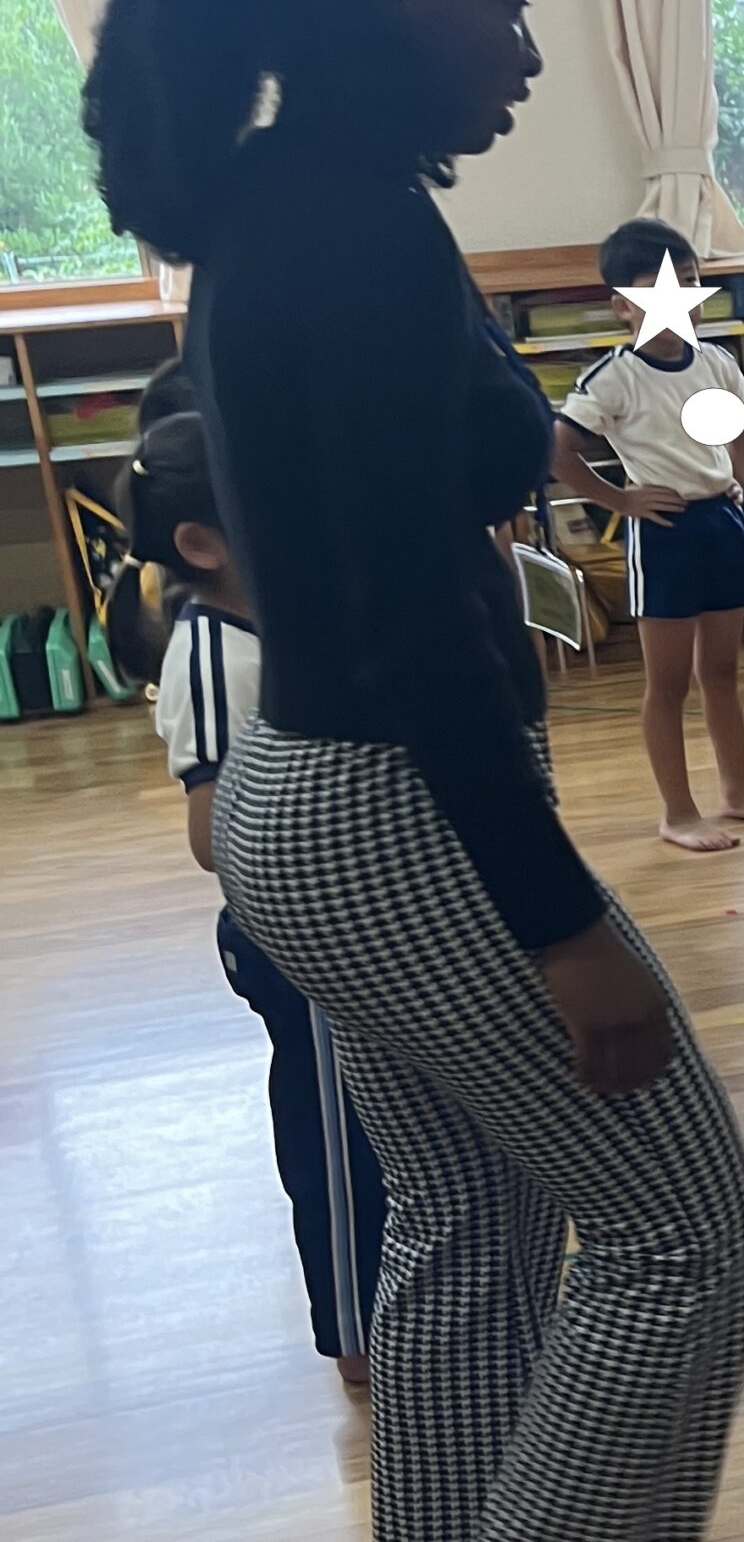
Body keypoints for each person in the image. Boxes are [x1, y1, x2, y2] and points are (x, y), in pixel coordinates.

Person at [85, 0, 744, 1541]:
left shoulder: (292, 200)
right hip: (396, 808)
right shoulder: (348, 229)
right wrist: (565, 927)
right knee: (682, 1235)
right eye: (502, 0)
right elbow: (406, 619)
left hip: (317, 804)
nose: (525, 52)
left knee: (470, 1225)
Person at [106, 409, 388, 1391]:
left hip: (360, 927)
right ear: (202, 544)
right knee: (336, 1141)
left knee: (384, 1127)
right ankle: (355, 1331)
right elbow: (211, 833)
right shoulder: (214, 657)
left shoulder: (281, 616)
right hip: (301, 942)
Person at [553, 217, 744, 852]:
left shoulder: (716, 361)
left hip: (721, 523)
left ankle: (737, 792)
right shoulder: (613, 376)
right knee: (667, 683)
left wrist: (736, 477)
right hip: (663, 532)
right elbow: (557, 450)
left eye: (688, 282)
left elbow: (741, 421)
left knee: (722, 671)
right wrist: (620, 499)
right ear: (622, 305)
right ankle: (678, 812)